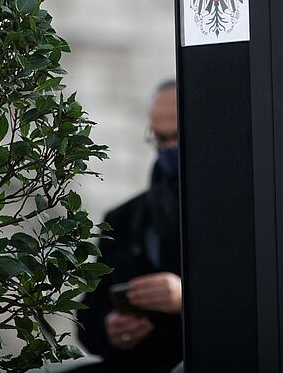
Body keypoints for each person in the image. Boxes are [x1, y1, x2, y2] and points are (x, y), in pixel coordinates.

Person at [77, 81, 183, 373]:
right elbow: (88, 317)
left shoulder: (237, 210)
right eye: (161, 139)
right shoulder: (124, 218)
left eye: (177, 137)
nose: (169, 149)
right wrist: (112, 329)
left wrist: (189, 301)